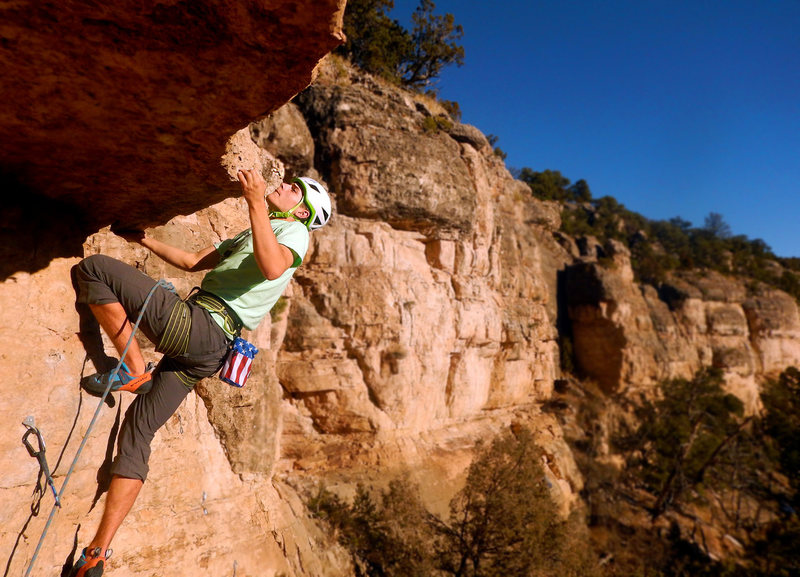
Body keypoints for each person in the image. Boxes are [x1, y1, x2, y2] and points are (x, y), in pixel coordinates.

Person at [69, 168, 332, 577]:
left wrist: (257, 201)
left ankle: (134, 370)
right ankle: (97, 553)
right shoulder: (255, 233)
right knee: (138, 430)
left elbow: (271, 268)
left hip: (201, 327)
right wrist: (142, 240)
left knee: (95, 269)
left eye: (294, 190)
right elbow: (192, 261)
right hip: (208, 351)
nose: (284, 184)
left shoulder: (295, 235)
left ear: (301, 212)